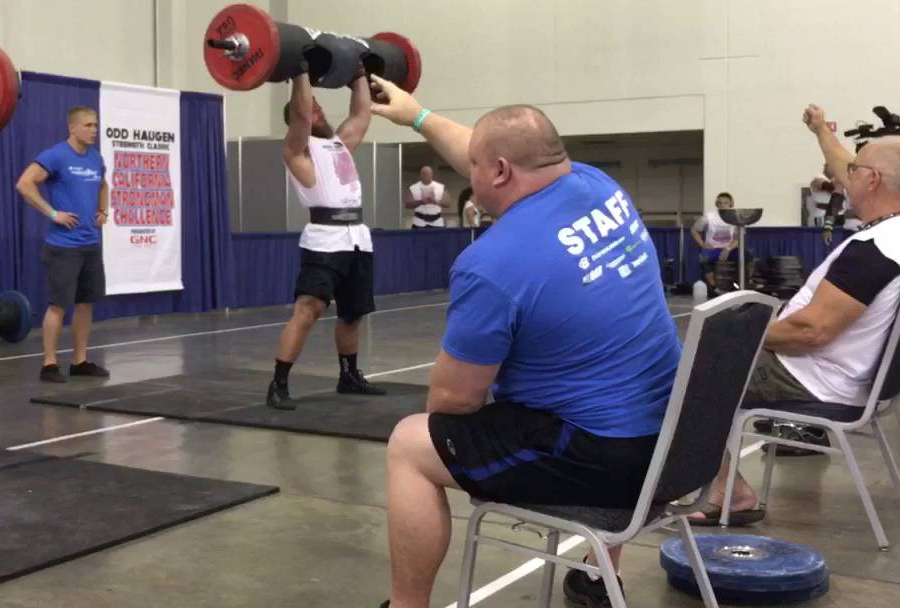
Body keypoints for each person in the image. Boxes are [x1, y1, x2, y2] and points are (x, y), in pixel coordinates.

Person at [366, 76, 681, 608]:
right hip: (673, 445)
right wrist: (416, 116)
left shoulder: (493, 262)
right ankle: (597, 577)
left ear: (498, 172)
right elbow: (496, 153)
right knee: (599, 383)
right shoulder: (598, 186)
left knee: (411, 443)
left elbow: (453, 404)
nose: (469, 174)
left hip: (609, 464)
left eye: (475, 168)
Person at [688, 105, 900, 526]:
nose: (843, 177)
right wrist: (820, 130)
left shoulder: (875, 250)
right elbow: (845, 164)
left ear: (873, 180)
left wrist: (743, 334)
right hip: (861, 381)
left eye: (855, 170)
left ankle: (727, 493)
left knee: (682, 373)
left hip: (816, 378)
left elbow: (810, 331)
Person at [267, 71, 386, 410]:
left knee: (352, 313)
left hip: (357, 240)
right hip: (324, 242)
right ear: (297, 118)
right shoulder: (297, 151)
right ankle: (278, 385)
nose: (316, 108)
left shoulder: (339, 144)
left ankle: (349, 377)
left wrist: (359, 73)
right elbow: (301, 113)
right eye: (310, 106)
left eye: (318, 104)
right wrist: (301, 72)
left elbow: (362, 114)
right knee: (309, 309)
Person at [15, 106, 110, 383]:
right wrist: (53, 213)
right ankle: (49, 364)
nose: (94, 130)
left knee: (85, 303)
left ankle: (79, 362)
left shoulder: (96, 158)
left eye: (95, 125)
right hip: (63, 246)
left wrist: (103, 211)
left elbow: (103, 185)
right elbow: (24, 184)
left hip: (90, 243)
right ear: (72, 128)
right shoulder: (56, 155)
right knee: (58, 305)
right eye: (88, 125)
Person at [691, 192, 739, 294]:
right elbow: (694, 230)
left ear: (731, 204)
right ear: (717, 204)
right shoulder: (709, 217)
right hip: (714, 249)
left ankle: (743, 284)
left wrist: (728, 249)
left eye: (725, 203)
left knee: (747, 255)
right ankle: (714, 287)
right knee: (704, 258)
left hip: (730, 249)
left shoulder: (736, 218)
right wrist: (702, 244)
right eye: (720, 203)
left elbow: (738, 239)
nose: (722, 205)